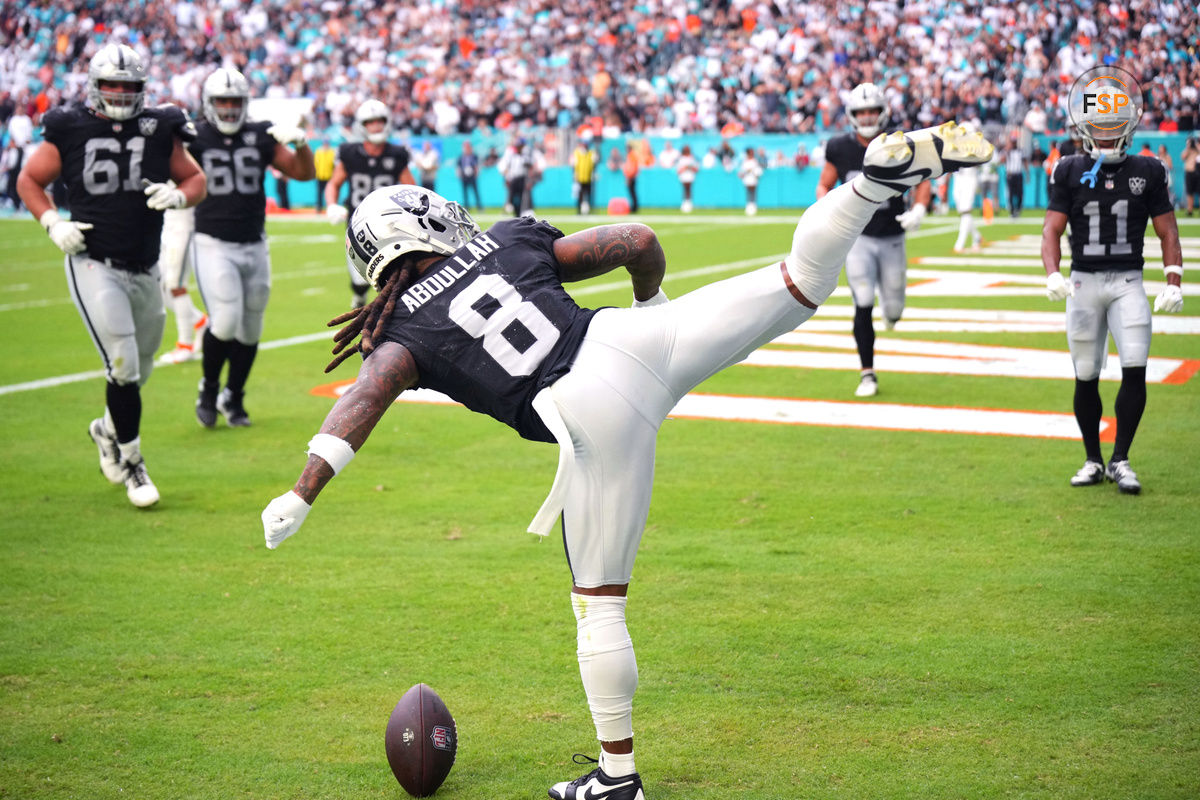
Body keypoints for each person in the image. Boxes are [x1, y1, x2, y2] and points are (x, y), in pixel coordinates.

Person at [260, 122, 994, 800]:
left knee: (600, 603)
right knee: (799, 283)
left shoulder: (400, 333)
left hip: (583, 415)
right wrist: (656, 312)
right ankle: (869, 186)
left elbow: (359, 404)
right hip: (631, 342)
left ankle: (618, 777)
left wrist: (301, 492)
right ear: (428, 221)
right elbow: (636, 239)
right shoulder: (509, 240)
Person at [16, 43, 207, 508]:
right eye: (112, 86)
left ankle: (106, 429)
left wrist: (179, 196)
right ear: (94, 87)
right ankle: (132, 463)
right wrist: (52, 222)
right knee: (122, 363)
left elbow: (195, 178)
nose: (121, 94)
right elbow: (29, 180)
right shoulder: (69, 125)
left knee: (136, 369)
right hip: (93, 260)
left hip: (146, 265)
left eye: (129, 86)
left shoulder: (161, 126)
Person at [1042, 87, 1183, 494]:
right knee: (1085, 374)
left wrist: (1173, 278)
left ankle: (1120, 458)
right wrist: (1053, 273)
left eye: (1114, 126)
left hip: (1127, 282)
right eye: (1099, 127)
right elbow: (1051, 228)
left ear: (1130, 125)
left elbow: (1167, 229)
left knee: (1135, 366)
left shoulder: (1149, 170)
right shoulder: (1069, 169)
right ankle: (1092, 458)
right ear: (1085, 128)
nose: (1106, 135)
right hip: (1083, 281)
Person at [189, 67, 315, 429]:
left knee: (251, 328)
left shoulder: (260, 134)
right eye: (222, 101)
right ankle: (209, 389)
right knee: (225, 320)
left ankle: (235, 396)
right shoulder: (193, 135)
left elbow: (303, 173)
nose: (228, 108)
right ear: (208, 103)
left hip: (254, 241)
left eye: (235, 101)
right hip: (213, 240)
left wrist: (301, 144)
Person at [817, 82, 933, 397]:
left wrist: (920, 207)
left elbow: (924, 179)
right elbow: (824, 185)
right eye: (861, 111)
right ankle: (867, 373)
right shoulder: (840, 147)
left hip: (893, 234)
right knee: (863, 300)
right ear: (852, 115)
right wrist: (828, 213)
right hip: (858, 237)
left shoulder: (900, 143)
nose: (867, 116)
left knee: (893, 307)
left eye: (872, 110)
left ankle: (891, 316)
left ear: (883, 113)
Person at [325, 99, 415, 309]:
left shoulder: (396, 154)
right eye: (370, 122)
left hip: (389, 224)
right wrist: (331, 204)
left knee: (392, 278)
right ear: (361, 126)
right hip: (358, 226)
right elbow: (334, 184)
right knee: (360, 281)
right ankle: (358, 295)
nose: (376, 126)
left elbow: (412, 189)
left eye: (379, 121)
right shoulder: (349, 152)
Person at [154, 206, 210, 364]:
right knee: (158, 285)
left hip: (183, 228)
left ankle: (185, 345)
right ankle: (201, 322)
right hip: (166, 224)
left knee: (176, 285)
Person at [570, 138, 596, 214]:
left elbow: (593, 164)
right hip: (580, 178)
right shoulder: (577, 153)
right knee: (580, 195)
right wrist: (575, 175)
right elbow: (574, 165)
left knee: (589, 195)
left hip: (588, 177)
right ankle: (579, 210)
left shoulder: (591, 153)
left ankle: (589, 209)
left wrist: (593, 174)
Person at [737, 145, 763, 215]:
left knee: (753, 194)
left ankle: (753, 208)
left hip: (753, 179)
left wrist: (756, 173)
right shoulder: (744, 161)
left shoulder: (755, 161)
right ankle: (749, 208)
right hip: (747, 180)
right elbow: (742, 172)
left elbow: (758, 171)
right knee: (748, 194)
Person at [455, 140, 481, 211]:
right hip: (464, 177)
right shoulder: (461, 157)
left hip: (472, 176)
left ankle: (479, 207)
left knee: (475, 192)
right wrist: (459, 175)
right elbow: (458, 167)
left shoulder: (473, 156)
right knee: (465, 193)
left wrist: (476, 174)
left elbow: (476, 166)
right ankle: (467, 207)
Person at [313, 139, 336, 213]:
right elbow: (316, 163)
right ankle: (319, 208)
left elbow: (333, 164)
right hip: (320, 175)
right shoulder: (319, 152)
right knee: (319, 193)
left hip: (329, 176)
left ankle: (330, 207)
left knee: (329, 193)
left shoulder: (332, 152)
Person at [1004, 139, 1025, 217]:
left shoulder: (1020, 151)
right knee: (1011, 193)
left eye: (1014, 142)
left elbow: (1024, 161)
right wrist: (1007, 150)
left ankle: (1018, 208)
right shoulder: (1007, 151)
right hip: (1010, 175)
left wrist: (1027, 173)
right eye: (1012, 142)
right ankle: (1012, 210)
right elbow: (1002, 159)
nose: (1013, 144)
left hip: (1018, 174)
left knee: (1020, 193)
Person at [675, 144, 697, 213]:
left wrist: (690, 167)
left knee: (689, 190)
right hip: (684, 177)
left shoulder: (692, 158)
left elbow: (696, 169)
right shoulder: (681, 159)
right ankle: (684, 204)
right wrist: (685, 167)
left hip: (690, 176)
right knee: (685, 190)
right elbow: (679, 170)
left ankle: (689, 204)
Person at [1182, 137, 1199, 216]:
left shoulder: (1197, 150)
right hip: (1189, 172)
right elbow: (1183, 157)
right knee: (1189, 192)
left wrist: (1197, 146)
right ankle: (1190, 210)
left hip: (1198, 172)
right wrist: (1188, 148)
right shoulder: (1187, 151)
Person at [622, 142, 640, 213]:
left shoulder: (632, 156)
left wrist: (629, 177)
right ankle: (634, 207)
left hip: (631, 177)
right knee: (632, 192)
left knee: (632, 192)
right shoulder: (630, 155)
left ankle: (634, 207)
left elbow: (632, 168)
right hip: (631, 176)